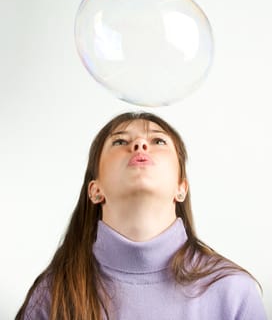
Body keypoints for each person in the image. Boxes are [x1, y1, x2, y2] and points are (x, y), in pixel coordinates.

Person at [16, 112, 267, 320]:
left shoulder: (233, 291)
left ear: (181, 188)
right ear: (95, 190)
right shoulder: (54, 293)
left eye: (158, 141)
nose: (139, 145)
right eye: (119, 142)